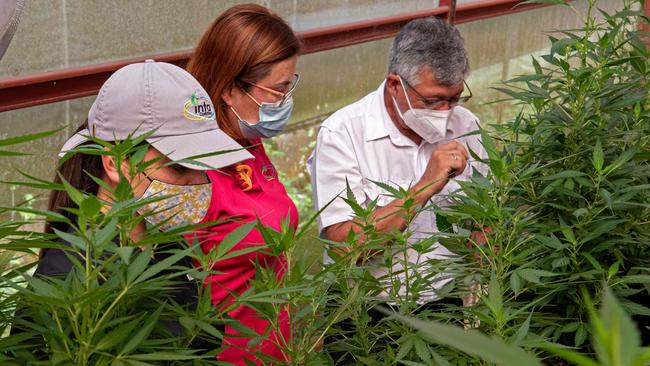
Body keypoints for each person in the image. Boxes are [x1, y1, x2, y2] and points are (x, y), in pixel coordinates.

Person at [32, 60, 251, 347]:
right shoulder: (67, 276)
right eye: (180, 168)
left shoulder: (169, 247)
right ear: (115, 163)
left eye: (204, 167)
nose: (198, 183)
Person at [309, 17, 488, 305]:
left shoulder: (467, 126)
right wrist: (425, 186)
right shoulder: (342, 134)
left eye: (454, 99)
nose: (445, 112)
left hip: (443, 302)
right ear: (395, 85)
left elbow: (484, 218)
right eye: (432, 101)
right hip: (364, 311)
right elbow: (343, 248)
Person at [185, 4, 301, 365]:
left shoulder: (247, 141)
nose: (286, 101)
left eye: (290, 85)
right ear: (229, 89)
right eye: (278, 89)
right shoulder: (190, 170)